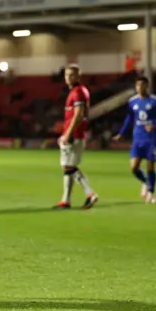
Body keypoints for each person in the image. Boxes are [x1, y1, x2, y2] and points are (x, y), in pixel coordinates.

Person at [113, 76, 156, 203]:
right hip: (137, 138)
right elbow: (129, 119)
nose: (140, 87)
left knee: (150, 167)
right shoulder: (132, 102)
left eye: (142, 85)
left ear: (147, 86)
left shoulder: (155, 101)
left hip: (152, 138)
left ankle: (150, 193)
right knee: (133, 167)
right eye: (138, 85)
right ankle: (146, 182)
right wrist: (121, 134)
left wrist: (155, 126)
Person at [55, 64, 98, 209]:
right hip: (74, 132)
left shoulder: (78, 92)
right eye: (67, 75)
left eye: (72, 75)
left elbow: (78, 114)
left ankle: (90, 193)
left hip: (75, 133)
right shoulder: (75, 91)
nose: (68, 77)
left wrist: (67, 134)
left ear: (79, 76)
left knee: (68, 167)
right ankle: (65, 200)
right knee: (68, 167)